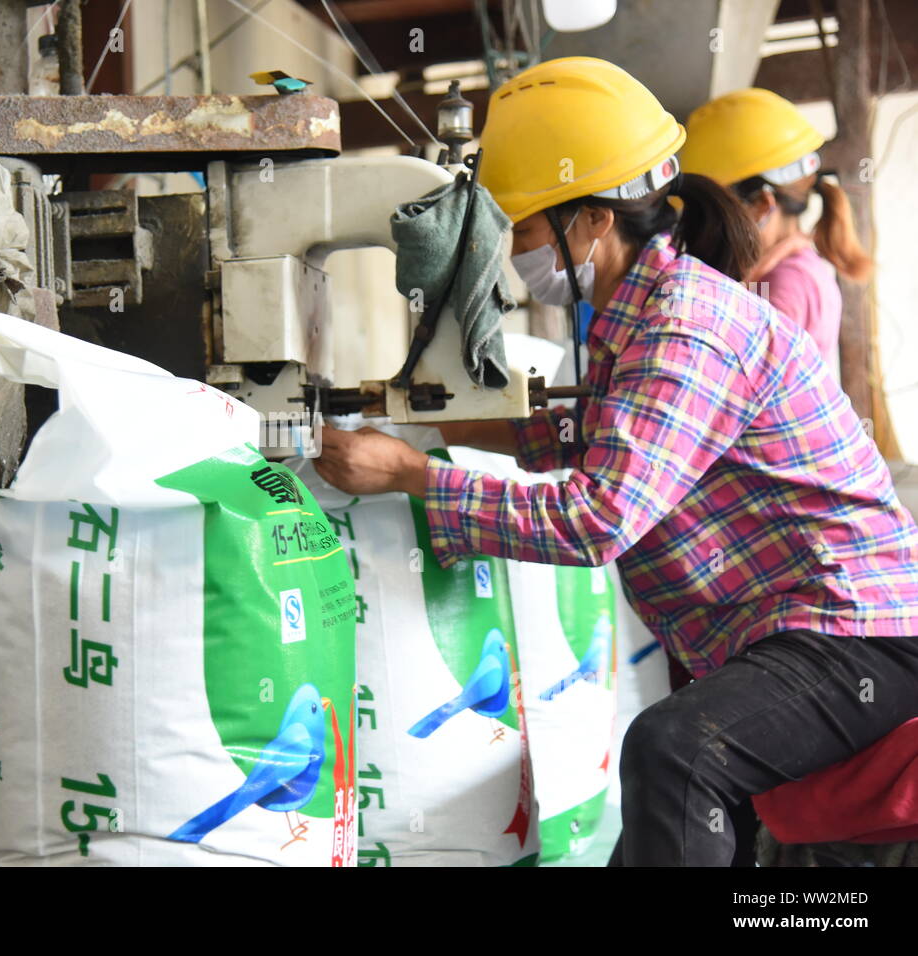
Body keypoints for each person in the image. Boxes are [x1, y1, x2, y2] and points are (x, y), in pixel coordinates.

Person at [313, 56, 918, 867]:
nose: (514, 255)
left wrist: (409, 475)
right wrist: (413, 416)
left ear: (593, 221)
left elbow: (597, 517)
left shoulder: (684, 328)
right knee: (676, 811)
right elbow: (583, 437)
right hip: (780, 632)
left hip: (852, 633)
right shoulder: (634, 324)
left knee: (677, 752)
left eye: (523, 232)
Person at [679, 88, 873, 374]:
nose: (705, 233)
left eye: (710, 218)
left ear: (761, 204)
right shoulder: (792, 269)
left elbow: (740, 393)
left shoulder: (784, 285)